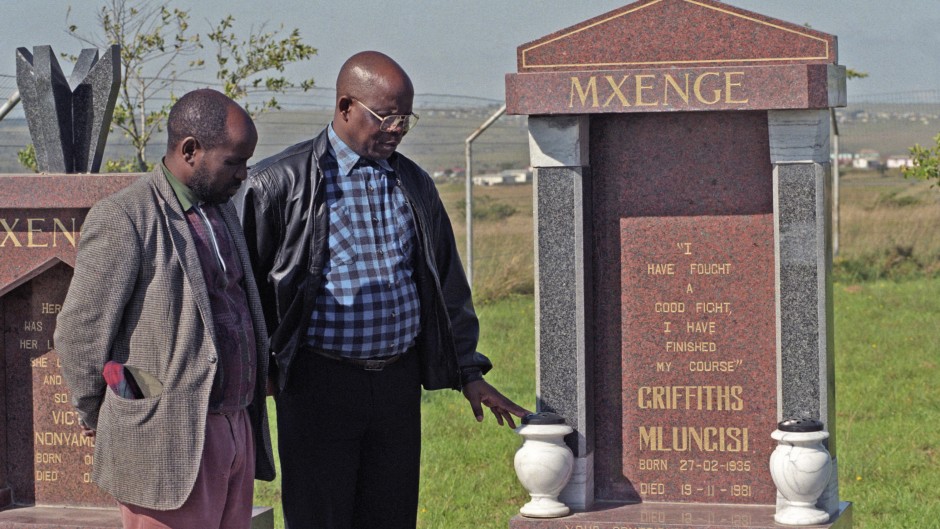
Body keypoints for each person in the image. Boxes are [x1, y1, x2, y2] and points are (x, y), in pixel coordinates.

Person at [238, 51, 530, 529]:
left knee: (390, 515)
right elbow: (247, 291)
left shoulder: (413, 182)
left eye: (405, 118)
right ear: (346, 106)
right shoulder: (278, 183)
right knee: (321, 517)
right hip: (318, 385)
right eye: (387, 116)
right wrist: (263, 371)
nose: (398, 129)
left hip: (396, 385)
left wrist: (468, 371)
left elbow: (445, 284)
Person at [54, 88, 275, 529]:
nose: (243, 175)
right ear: (190, 150)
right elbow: (80, 334)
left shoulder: (220, 210)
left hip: (234, 429)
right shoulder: (124, 217)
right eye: (234, 162)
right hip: (164, 442)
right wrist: (110, 417)